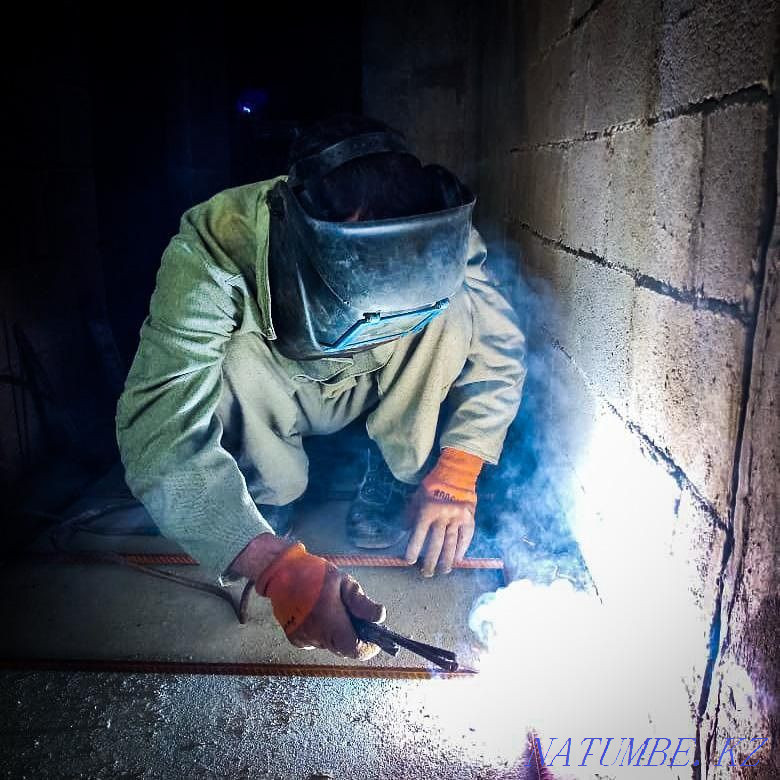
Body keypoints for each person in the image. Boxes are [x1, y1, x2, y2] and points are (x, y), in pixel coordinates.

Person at [116, 115, 525, 660]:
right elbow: (157, 427)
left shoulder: (436, 233)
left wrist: (458, 471)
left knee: (455, 312)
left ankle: (394, 471)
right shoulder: (218, 243)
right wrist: (270, 564)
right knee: (231, 351)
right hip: (276, 388)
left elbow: (500, 350)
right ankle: (264, 495)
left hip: (381, 383)